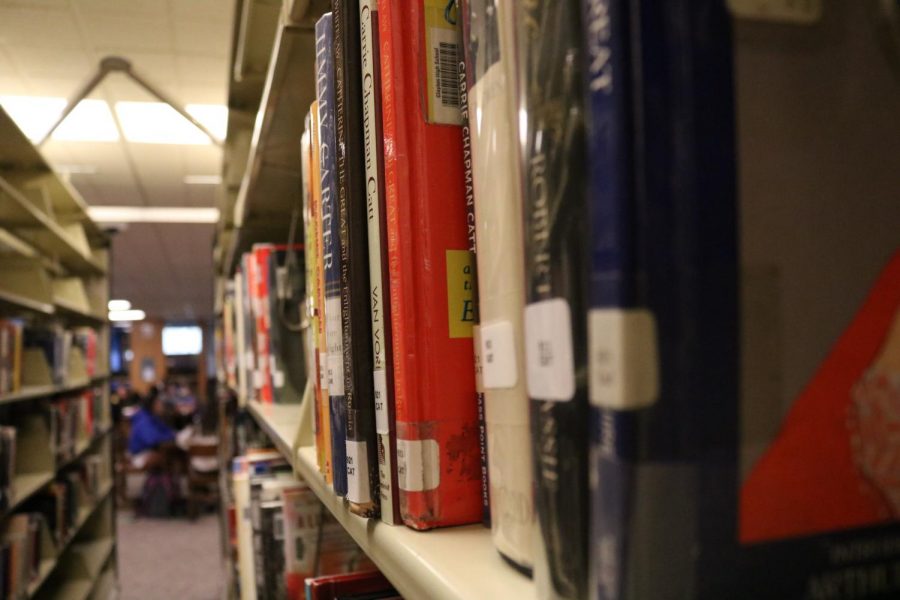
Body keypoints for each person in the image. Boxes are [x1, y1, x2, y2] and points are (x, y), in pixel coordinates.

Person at [128, 387, 176, 471]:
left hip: (148, 450)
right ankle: (157, 482)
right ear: (152, 405)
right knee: (164, 457)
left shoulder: (153, 417)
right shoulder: (143, 419)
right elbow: (151, 440)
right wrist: (170, 436)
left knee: (171, 455)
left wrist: (173, 435)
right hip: (138, 455)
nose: (162, 406)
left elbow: (166, 430)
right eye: (159, 403)